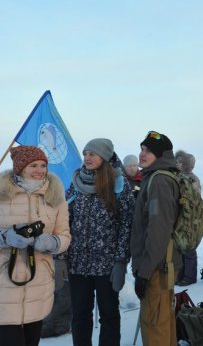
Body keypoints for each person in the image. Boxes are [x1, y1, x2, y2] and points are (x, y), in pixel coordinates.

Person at [0, 146, 71, 346]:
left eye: (43, 165)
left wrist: (53, 242)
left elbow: (64, 237)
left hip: (39, 285)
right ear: (19, 167)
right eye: (33, 165)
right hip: (3, 287)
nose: (39, 170)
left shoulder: (56, 199)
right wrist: (3, 237)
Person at [66, 138, 134, 346]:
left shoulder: (119, 184)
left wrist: (121, 260)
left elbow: (127, 224)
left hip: (107, 265)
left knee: (109, 316)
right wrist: (61, 257)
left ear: (104, 157)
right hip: (77, 263)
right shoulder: (76, 183)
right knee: (79, 316)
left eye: (92, 154)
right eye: (85, 153)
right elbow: (63, 220)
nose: (87, 157)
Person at [130, 131, 182, 346]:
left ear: (161, 156)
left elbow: (158, 229)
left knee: (154, 325)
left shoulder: (159, 181)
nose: (142, 154)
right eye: (142, 148)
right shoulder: (158, 177)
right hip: (162, 265)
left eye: (148, 151)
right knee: (162, 321)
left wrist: (144, 272)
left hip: (155, 267)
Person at [175, 150, 200, 286]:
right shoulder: (178, 176)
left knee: (189, 247)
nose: (177, 163)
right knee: (179, 246)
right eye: (176, 160)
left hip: (190, 218)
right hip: (180, 216)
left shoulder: (191, 179)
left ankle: (190, 276)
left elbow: (194, 199)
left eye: (180, 161)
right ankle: (181, 274)